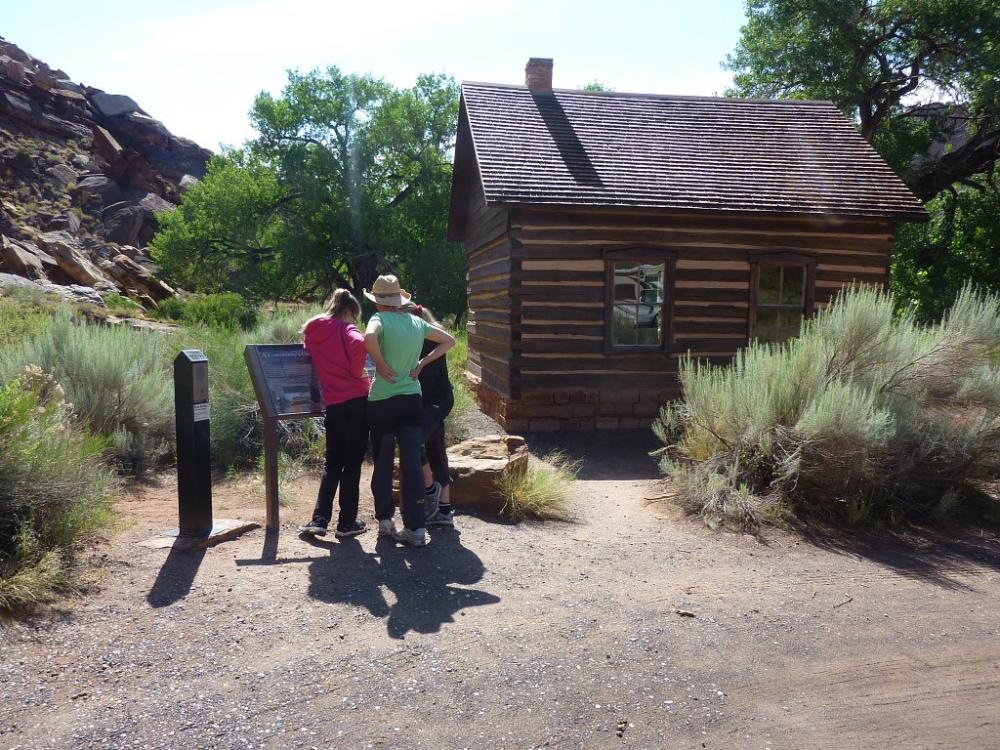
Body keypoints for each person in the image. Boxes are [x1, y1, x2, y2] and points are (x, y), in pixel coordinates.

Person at [364, 275, 455, 547]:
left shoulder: (379, 320)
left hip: (382, 399)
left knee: (382, 460)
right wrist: (422, 362)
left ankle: (385, 521)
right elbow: (449, 340)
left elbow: (369, 338)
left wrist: (379, 363)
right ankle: (415, 528)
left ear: (379, 302)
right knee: (412, 463)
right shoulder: (417, 322)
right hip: (412, 399)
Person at [298, 289, 370, 539]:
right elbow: (360, 342)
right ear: (349, 311)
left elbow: (309, 350)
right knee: (351, 465)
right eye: (354, 316)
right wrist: (356, 370)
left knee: (332, 463)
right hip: (358, 402)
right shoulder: (347, 329)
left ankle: (319, 520)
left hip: (334, 404)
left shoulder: (314, 328)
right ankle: (346, 523)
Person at [405, 302, 455, 527]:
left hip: (437, 401)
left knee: (413, 442)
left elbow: (426, 376)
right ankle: (444, 510)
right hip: (434, 401)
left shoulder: (428, 338)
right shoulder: (428, 336)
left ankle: (429, 488)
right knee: (436, 450)